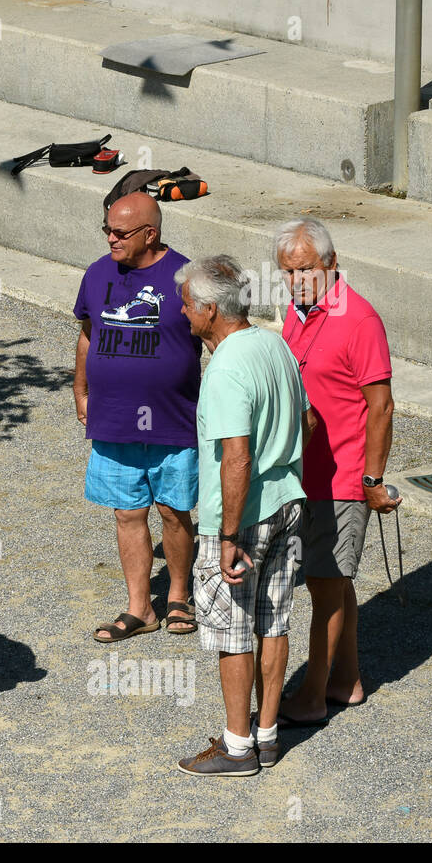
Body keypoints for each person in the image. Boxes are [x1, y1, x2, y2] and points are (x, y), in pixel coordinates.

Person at [173, 256, 312, 776]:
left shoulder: (227, 367)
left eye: (188, 304)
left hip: (242, 518)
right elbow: (308, 420)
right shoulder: (276, 344)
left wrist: (229, 533)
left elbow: (237, 455)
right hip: (289, 504)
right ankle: (267, 735)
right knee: (274, 622)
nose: (183, 312)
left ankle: (236, 749)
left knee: (232, 630)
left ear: (211, 310)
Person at [273, 219, 400, 726]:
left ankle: (312, 693)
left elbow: (382, 406)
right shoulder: (299, 311)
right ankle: (346, 681)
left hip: (342, 476)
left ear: (330, 262)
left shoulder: (359, 319)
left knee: (325, 584)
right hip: (306, 474)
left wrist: (371, 479)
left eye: (303, 268)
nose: (294, 279)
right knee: (332, 581)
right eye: (285, 271)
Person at [73, 192, 201, 641]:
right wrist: (79, 386)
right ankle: (140, 607)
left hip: (173, 419)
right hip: (115, 419)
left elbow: (214, 337)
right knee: (128, 514)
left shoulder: (187, 276)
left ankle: (179, 597)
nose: (111, 238)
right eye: (106, 229)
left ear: (151, 233)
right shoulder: (97, 273)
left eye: (120, 232)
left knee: (174, 511)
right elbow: (89, 332)